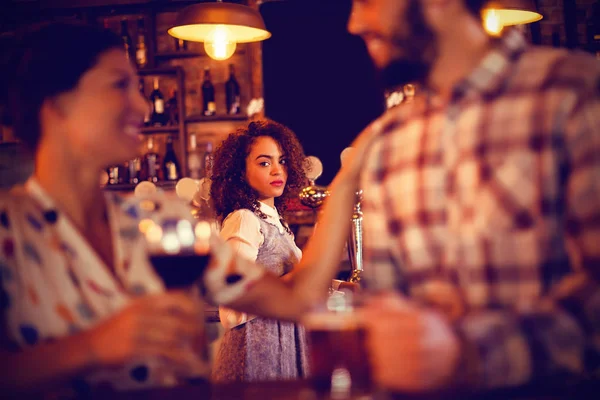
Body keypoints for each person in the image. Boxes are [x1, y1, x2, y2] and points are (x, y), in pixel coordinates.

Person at [0, 22, 372, 396]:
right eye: (119, 85)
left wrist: (345, 183)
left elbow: (296, 299)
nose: (142, 105)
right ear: (55, 107)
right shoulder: (9, 230)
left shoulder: (160, 221)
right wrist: (93, 347)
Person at [345, 0, 600, 393]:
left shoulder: (575, 91)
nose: (354, 23)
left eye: (368, 1)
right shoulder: (388, 142)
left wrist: (469, 354)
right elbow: (388, 306)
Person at [209, 119, 309, 382]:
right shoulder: (244, 219)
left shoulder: (274, 219)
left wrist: (338, 286)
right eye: (265, 163)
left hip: (286, 345)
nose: (277, 170)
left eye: (283, 161)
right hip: (257, 353)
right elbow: (230, 311)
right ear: (240, 172)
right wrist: (292, 284)